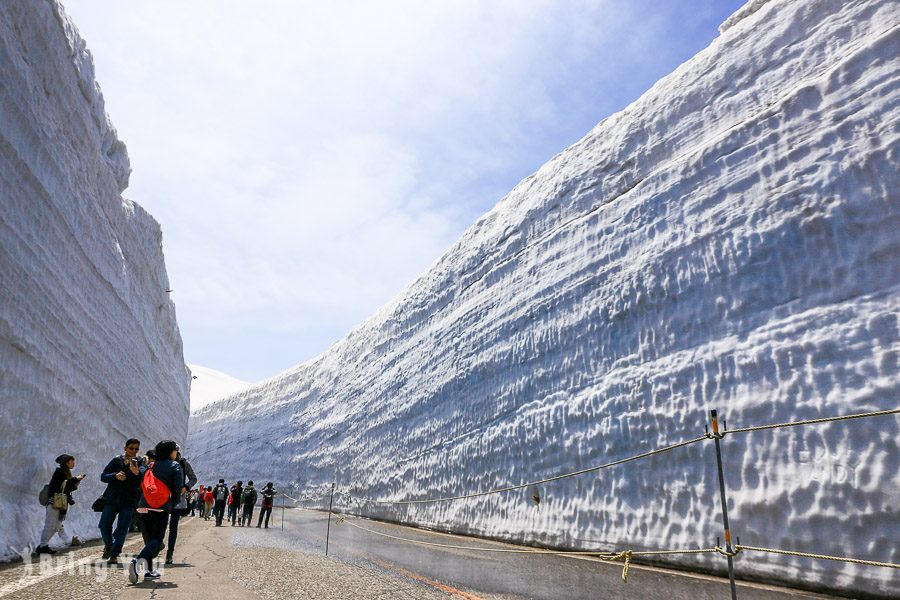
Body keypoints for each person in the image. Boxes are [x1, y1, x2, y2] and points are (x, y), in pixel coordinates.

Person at [128, 440, 183, 584]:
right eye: (175, 450)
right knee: (157, 540)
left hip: (143, 506)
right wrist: (173, 503)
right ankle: (136, 562)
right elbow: (177, 489)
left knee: (150, 540)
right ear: (171, 452)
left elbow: (142, 481)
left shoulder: (151, 465)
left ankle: (149, 571)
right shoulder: (175, 466)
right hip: (160, 507)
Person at [98, 439, 144, 563]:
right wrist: (115, 476)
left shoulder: (140, 463)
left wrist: (137, 473)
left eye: (136, 449)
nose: (134, 451)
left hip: (129, 501)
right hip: (112, 499)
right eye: (131, 448)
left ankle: (114, 554)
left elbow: (143, 480)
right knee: (103, 525)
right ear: (125, 448)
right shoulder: (116, 460)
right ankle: (109, 545)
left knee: (123, 527)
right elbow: (103, 476)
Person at [36, 454, 86, 554]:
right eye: (72, 461)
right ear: (67, 462)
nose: (74, 463)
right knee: (50, 525)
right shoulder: (59, 472)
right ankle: (43, 546)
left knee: (55, 526)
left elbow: (66, 488)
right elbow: (59, 486)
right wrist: (76, 479)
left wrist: (76, 482)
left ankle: (43, 545)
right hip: (54, 502)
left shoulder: (66, 472)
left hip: (59, 503)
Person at [165, 446, 197, 565]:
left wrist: (186, 487)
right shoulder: (165, 462)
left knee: (173, 527)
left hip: (178, 500)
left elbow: (193, 478)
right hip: (164, 498)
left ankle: (170, 553)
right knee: (161, 526)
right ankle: (158, 545)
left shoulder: (184, 464)